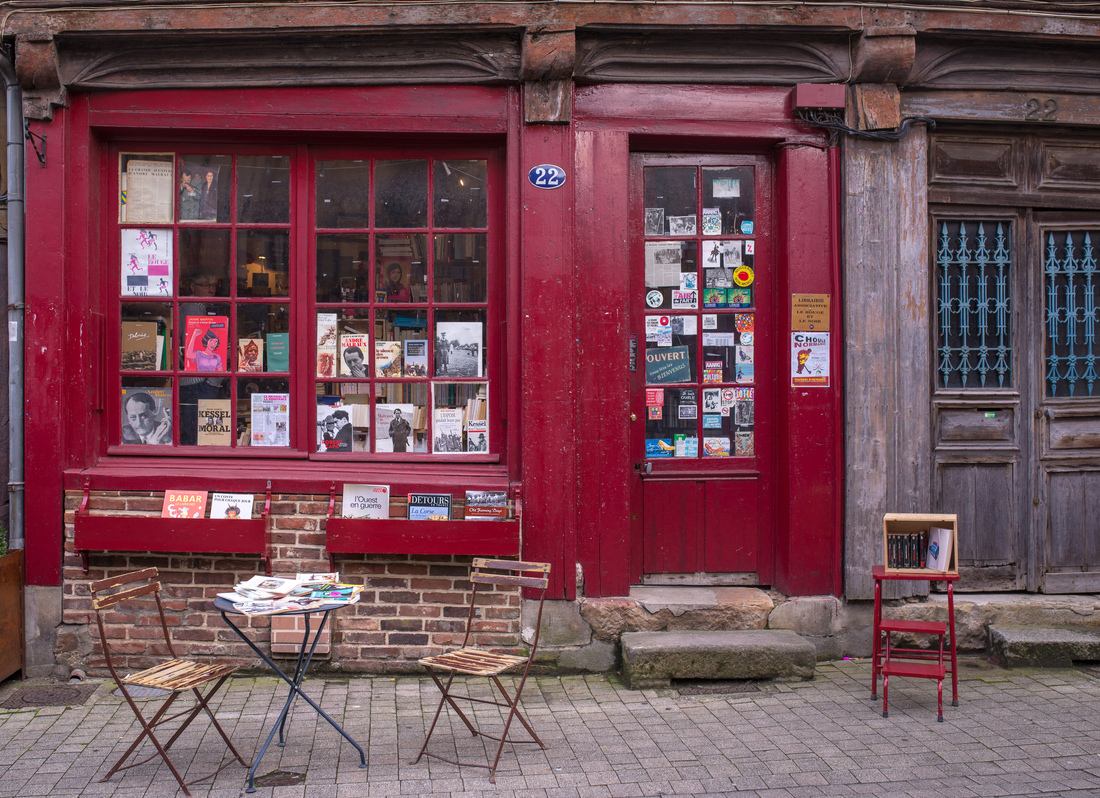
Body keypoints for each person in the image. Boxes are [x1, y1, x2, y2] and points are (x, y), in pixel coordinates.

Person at [179, 274, 227, 445]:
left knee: (197, 432)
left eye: (214, 284)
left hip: (201, 380)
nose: (211, 289)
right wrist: (212, 383)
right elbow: (194, 344)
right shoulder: (194, 305)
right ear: (192, 286)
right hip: (197, 381)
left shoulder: (204, 306)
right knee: (197, 434)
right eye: (206, 284)